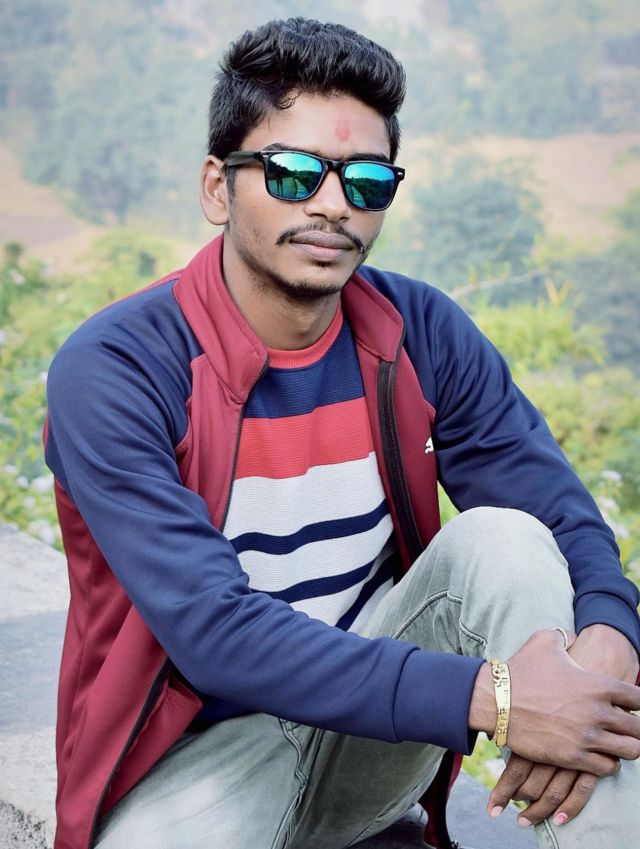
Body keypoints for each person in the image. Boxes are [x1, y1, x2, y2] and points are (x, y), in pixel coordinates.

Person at [44, 17, 640, 849]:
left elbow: (561, 515)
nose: (332, 205)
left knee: (507, 541)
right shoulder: (119, 368)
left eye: (365, 181)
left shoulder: (418, 332)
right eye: (292, 173)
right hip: (201, 762)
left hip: (370, 739)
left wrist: (608, 642)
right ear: (218, 187)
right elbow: (213, 631)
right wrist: (502, 699)